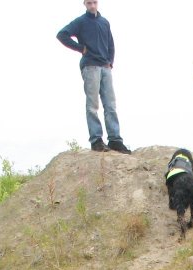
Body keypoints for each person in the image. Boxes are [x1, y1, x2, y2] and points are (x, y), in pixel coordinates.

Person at [57, 0, 131, 154]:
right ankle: (96, 140)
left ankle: (115, 140)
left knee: (110, 105)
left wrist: (110, 62)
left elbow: (111, 44)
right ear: (84, 4)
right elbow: (62, 34)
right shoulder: (80, 22)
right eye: (89, 3)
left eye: (94, 2)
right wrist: (80, 48)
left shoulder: (104, 22)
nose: (92, 6)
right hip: (90, 66)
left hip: (105, 67)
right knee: (92, 105)